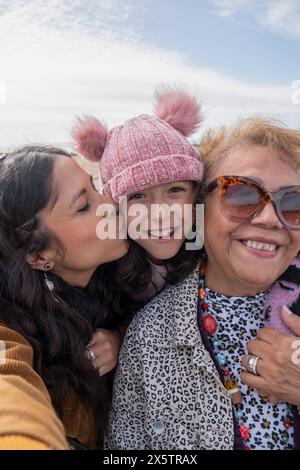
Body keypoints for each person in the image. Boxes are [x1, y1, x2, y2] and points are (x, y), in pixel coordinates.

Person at [105, 118, 300, 450]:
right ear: (201, 208)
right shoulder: (149, 335)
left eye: (294, 203)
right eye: (240, 195)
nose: (269, 218)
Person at [0, 146, 129, 449]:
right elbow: (8, 381)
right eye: (85, 205)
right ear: (38, 255)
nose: (111, 203)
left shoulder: (133, 269)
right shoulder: (11, 325)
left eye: (96, 187)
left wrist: (123, 338)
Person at [72, 87, 204, 305]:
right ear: (116, 206)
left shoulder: (209, 250)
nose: (160, 214)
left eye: (175, 190)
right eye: (138, 196)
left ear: (195, 193)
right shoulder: (107, 267)